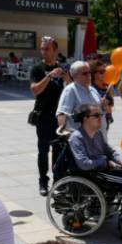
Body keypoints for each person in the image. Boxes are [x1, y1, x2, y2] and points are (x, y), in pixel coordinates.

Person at [30, 36, 71, 196]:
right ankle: (43, 181)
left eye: (47, 49)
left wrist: (66, 78)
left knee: (58, 150)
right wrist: (49, 76)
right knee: (43, 151)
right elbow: (35, 90)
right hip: (43, 117)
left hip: (60, 118)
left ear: (55, 50)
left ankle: (58, 181)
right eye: (42, 49)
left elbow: (71, 89)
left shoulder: (63, 68)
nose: (44, 52)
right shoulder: (38, 69)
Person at [56, 61, 102, 134]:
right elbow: (62, 113)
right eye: (85, 73)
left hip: (96, 135)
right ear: (75, 76)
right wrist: (65, 133)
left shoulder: (93, 90)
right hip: (79, 136)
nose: (89, 75)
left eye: (89, 72)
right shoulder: (70, 90)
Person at [89, 59, 115, 132]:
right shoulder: (90, 89)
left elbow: (110, 106)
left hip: (105, 122)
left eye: (105, 71)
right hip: (93, 125)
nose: (105, 74)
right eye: (101, 72)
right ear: (93, 74)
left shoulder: (107, 87)